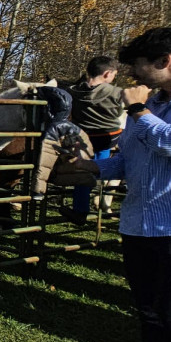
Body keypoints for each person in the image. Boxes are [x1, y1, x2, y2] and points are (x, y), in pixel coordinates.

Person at [67, 27, 171, 342]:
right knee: (154, 318)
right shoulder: (154, 102)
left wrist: (138, 112)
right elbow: (130, 159)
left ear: (164, 60)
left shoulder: (154, 108)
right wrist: (93, 168)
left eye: (137, 65)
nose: (132, 76)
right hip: (140, 224)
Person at [61, 57, 126, 224]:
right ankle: (99, 202)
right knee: (99, 169)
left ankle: (80, 210)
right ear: (107, 74)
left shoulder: (73, 91)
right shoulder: (117, 92)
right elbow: (119, 113)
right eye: (114, 75)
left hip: (83, 138)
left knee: (83, 173)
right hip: (107, 138)